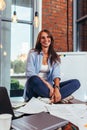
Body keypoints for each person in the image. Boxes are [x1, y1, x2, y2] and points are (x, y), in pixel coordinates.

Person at [23, 29, 80, 103]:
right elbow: (30, 73)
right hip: (35, 88)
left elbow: (56, 75)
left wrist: (56, 88)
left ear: (51, 39)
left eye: (48, 37)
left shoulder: (55, 57)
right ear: (39, 40)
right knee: (34, 79)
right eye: (43, 38)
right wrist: (48, 85)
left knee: (76, 83)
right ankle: (59, 97)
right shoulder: (33, 53)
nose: (46, 40)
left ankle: (51, 98)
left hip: (49, 89)